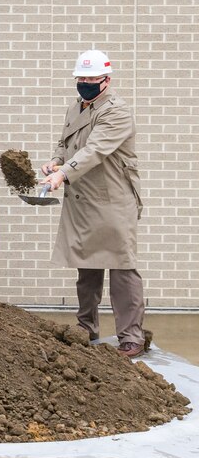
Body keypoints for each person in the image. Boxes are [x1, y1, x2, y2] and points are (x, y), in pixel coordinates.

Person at [40, 49, 147, 358]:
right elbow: (67, 144)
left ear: (106, 80)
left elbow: (95, 150)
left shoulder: (116, 111)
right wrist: (55, 161)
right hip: (83, 199)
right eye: (81, 78)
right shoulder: (76, 107)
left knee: (121, 268)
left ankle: (132, 336)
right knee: (86, 269)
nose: (85, 83)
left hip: (112, 199)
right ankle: (86, 328)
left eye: (91, 78)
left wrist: (63, 173)